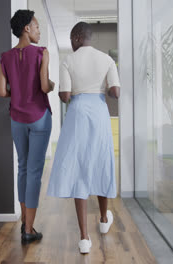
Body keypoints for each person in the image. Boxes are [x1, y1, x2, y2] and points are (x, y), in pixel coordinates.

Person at [47, 22, 120, 254]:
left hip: (77, 113)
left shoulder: (68, 60)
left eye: (71, 37)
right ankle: (102, 219)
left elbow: (66, 96)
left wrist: (62, 91)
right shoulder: (107, 60)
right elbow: (115, 92)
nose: (70, 42)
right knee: (101, 162)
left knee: (79, 167)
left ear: (78, 37)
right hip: (99, 113)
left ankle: (84, 238)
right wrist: (103, 89)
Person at [0, 9, 54, 243]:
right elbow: (44, 87)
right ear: (26, 29)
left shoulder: (5, 57)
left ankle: (24, 223)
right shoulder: (42, 52)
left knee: (22, 167)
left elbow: (2, 92)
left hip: (16, 118)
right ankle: (29, 230)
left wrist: (17, 92)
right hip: (39, 116)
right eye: (37, 26)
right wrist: (51, 84)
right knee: (34, 172)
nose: (39, 30)